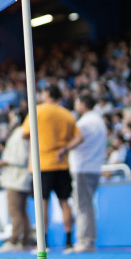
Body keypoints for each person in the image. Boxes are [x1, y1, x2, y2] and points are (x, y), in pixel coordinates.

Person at [22, 85, 81, 249]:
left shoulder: (38, 111)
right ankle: (69, 241)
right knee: (64, 202)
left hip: (42, 163)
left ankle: (44, 242)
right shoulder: (67, 114)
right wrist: (64, 148)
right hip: (61, 164)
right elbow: (78, 137)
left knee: (42, 203)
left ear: (47, 94)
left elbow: (24, 134)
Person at [59, 93, 107, 253]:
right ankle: (88, 240)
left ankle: (85, 241)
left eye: (77, 102)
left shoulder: (86, 122)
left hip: (83, 168)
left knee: (82, 205)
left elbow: (77, 138)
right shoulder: (98, 120)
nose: (75, 104)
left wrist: (64, 149)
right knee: (86, 205)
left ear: (84, 104)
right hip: (93, 167)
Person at [0, 112, 32, 252]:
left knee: (15, 211)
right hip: (19, 178)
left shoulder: (20, 134)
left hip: (16, 178)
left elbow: (21, 158)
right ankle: (24, 241)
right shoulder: (20, 133)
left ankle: (15, 241)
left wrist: (3, 162)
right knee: (21, 211)